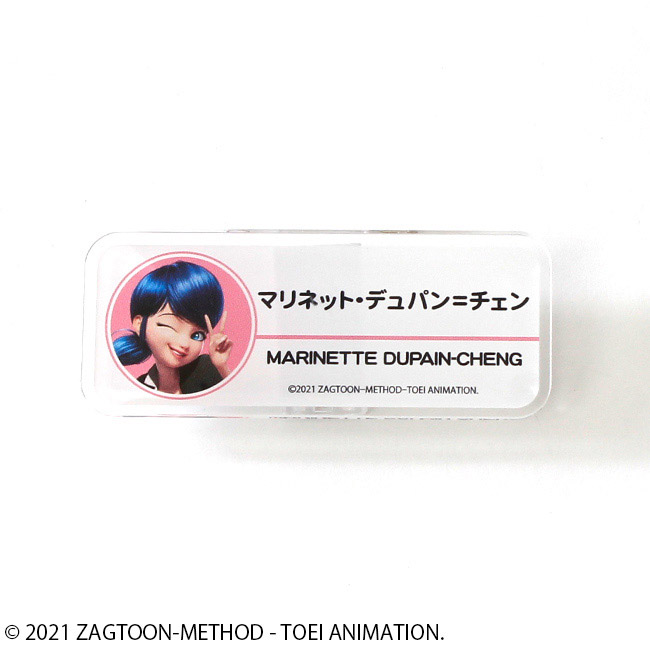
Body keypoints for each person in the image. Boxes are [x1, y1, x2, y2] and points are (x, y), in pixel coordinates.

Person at [113, 261, 233, 394]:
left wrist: (221, 366)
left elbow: (236, 398)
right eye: (170, 325)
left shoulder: (206, 368)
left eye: (197, 335)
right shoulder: (140, 385)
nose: (184, 344)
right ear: (140, 324)